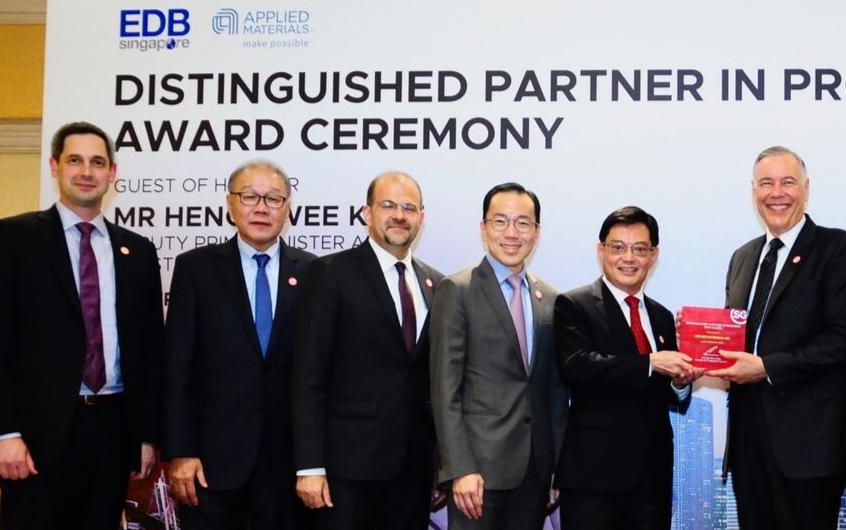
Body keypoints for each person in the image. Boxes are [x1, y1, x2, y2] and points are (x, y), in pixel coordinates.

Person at [0, 122, 164, 529]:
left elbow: (149, 350)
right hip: (35, 438)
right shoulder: (13, 239)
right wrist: (5, 433)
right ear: (55, 166)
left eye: (97, 162)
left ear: (113, 172)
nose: (86, 172)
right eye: (75, 160)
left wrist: (146, 435)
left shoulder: (138, 251)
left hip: (112, 431)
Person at [710, 146, 846, 530]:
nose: (776, 192)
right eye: (766, 183)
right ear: (753, 191)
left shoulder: (837, 248)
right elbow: (738, 335)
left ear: (806, 189)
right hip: (748, 440)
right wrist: (704, 353)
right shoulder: (743, 257)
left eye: (787, 182)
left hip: (808, 445)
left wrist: (767, 368)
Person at [164, 160, 318, 530]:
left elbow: (320, 373)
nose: (262, 207)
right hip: (211, 463)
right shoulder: (195, 269)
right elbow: (177, 366)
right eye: (250, 196)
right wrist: (181, 451)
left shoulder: (314, 272)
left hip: (286, 464)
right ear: (230, 204)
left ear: (288, 208)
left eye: (274, 198)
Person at [291, 172, 445, 530]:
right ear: (366, 212)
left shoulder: (435, 282)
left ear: (422, 217)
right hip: (347, 469)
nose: (399, 215)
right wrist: (310, 466)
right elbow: (308, 376)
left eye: (409, 207)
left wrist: (440, 464)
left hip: (413, 469)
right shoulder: (330, 273)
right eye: (388, 205)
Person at [552, 206, 700, 530]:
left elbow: (669, 393)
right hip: (594, 478)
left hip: (652, 477)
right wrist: (650, 363)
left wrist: (680, 382)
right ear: (600, 250)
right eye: (618, 247)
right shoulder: (573, 305)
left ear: (654, 255)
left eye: (640, 249)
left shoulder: (661, 317)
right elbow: (577, 367)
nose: (628, 258)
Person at [430, 183, 567, 530]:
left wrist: (556, 468)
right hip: (478, 474)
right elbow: (445, 390)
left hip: (535, 473)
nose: (511, 233)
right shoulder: (458, 289)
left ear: (536, 233)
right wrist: (459, 468)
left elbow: (554, 392)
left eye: (523, 223)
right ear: (483, 227)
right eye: (500, 221)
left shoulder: (549, 298)